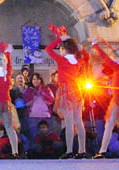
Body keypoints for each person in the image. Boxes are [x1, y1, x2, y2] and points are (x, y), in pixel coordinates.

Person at [44, 25, 89, 159]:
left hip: (66, 91)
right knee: (79, 121)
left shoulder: (62, 60)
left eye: (61, 48)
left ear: (64, 49)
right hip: (76, 89)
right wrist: (80, 48)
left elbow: (48, 49)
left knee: (69, 123)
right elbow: (86, 56)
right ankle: (82, 150)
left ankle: (69, 150)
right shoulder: (78, 60)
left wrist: (59, 39)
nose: (60, 50)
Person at [23, 72, 54, 144]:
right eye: (33, 79)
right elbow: (26, 103)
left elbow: (51, 101)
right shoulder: (29, 90)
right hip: (33, 117)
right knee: (34, 137)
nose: (35, 81)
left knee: (47, 137)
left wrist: (43, 94)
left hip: (45, 116)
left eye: (37, 79)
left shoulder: (46, 89)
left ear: (40, 80)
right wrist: (33, 96)